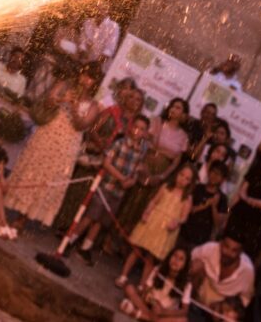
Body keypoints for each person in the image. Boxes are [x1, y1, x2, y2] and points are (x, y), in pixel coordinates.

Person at [4, 61, 101, 228]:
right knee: (32, 166)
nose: (86, 80)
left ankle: (24, 219)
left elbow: (80, 125)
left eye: (91, 78)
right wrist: (63, 98)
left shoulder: (94, 105)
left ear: (95, 83)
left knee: (49, 177)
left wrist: (75, 106)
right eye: (85, 74)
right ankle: (9, 208)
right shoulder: (64, 85)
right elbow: (48, 102)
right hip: (48, 133)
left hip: (67, 143)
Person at [69, 114, 151, 266]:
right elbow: (106, 163)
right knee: (90, 216)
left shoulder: (140, 152)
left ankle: (85, 247)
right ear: (130, 127)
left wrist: (130, 182)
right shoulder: (120, 143)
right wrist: (121, 178)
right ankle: (70, 241)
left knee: (101, 221)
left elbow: (136, 172)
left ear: (146, 133)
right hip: (106, 187)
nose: (137, 131)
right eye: (136, 127)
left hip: (119, 193)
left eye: (142, 129)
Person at [118, 97, 191, 235]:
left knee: (145, 203)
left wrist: (163, 176)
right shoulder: (158, 122)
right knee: (132, 198)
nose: (174, 110)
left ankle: (126, 239)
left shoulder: (183, 136)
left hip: (162, 171)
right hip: (146, 164)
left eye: (178, 108)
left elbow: (176, 160)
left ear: (184, 115)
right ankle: (111, 237)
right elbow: (146, 142)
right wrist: (144, 165)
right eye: (173, 106)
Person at [118, 164, 196, 288]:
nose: (182, 179)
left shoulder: (187, 198)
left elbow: (184, 217)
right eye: (181, 175)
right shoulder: (166, 187)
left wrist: (177, 222)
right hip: (153, 220)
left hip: (166, 228)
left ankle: (142, 285)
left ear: (190, 182)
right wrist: (147, 212)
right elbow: (154, 201)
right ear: (176, 174)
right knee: (137, 250)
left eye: (187, 178)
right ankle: (123, 275)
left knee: (151, 258)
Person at [188, 235, 256, 321]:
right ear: (220, 243)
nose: (228, 252)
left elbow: (245, 299)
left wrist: (224, 307)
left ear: (240, 252)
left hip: (223, 304)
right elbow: (189, 257)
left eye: (234, 250)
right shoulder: (210, 248)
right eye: (226, 246)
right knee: (196, 265)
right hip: (202, 290)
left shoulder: (248, 270)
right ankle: (187, 303)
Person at [121, 247, 192, 321]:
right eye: (174, 256)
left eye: (181, 259)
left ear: (185, 265)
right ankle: (148, 317)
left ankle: (140, 315)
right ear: (170, 257)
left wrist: (164, 311)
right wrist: (153, 302)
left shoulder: (187, 284)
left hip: (165, 313)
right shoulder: (159, 269)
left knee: (183, 320)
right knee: (129, 288)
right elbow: (146, 289)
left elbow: (184, 310)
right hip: (150, 304)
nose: (176, 260)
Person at [178, 160, 229, 250]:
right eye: (213, 172)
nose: (215, 176)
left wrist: (213, 206)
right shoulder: (197, 188)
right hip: (183, 232)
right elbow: (185, 209)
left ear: (223, 179)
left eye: (219, 174)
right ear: (209, 172)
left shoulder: (223, 198)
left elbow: (218, 224)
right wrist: (205, 205)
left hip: (201, 240)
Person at [78, 0, 121, 70]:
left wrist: (96, 65)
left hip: (101, 67)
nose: (99, 11)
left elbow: (109, 50)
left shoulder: (113, 26)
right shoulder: (87, 22)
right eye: (97, 8)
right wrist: (83, 51)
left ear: (108, 10)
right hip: (85, 63)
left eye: (103, 8)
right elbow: (83, 42)